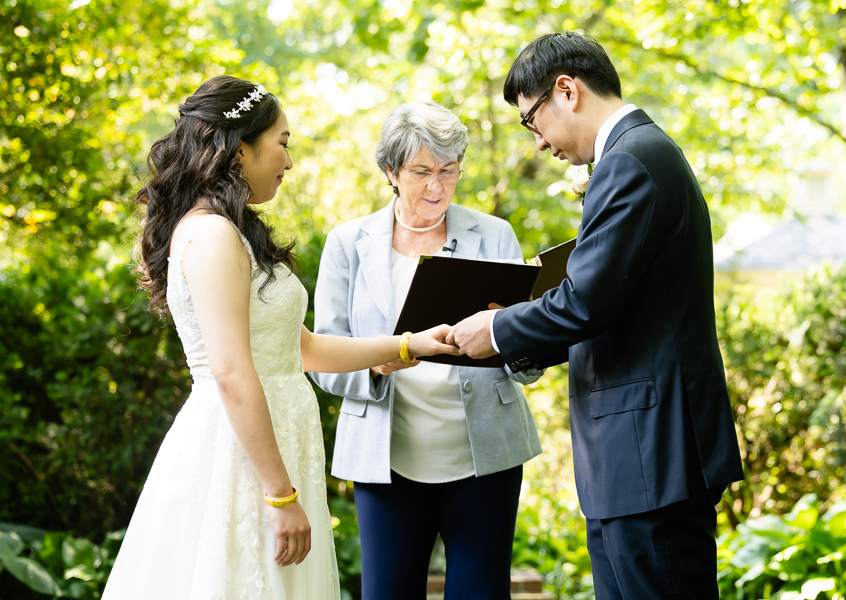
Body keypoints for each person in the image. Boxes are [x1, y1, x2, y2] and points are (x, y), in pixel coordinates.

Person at [103, 76, 458, 599]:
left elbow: (304, 348)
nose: (289, 160)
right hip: (241, 457)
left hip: (278, 445)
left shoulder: (235, 229)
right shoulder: (214, 234)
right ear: (239, 147)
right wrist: (278, 495)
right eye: (283, 143)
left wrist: (410, 345)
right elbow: (231, 371)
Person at [448, 33, 744, 599]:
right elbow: (613, 298)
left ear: (567, 91)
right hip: (638, 455)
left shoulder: (631, 160)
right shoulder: (636, 155)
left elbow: (588, 300)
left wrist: (497, 329)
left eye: (532, 122)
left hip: (651, 453)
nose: (538, 144)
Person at [308, 100, 544, 600]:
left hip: (485, 456)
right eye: (421, 172)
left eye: (448, 170)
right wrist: (375, 367)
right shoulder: (348, 242)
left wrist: (515, 332)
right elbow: (323, 358)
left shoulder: (494, 234)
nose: (437, 186)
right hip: (385, 459)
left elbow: (528, 362)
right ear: (391, 171)